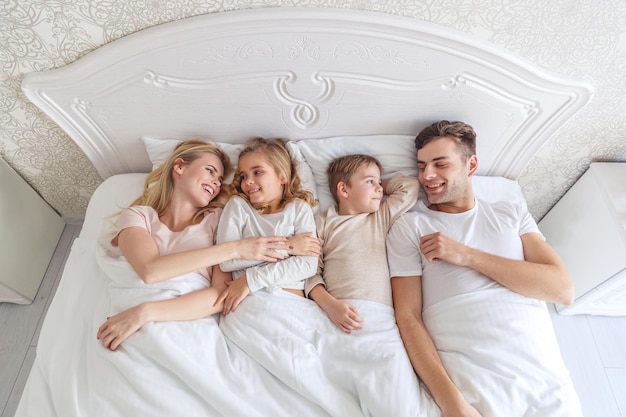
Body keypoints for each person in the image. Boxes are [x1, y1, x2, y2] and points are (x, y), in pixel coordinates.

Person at [387, 120, 579, 417]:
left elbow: (563, 291)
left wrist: (467, 256)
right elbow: (408, 316)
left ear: (471, 164)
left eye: (440, 164)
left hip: (547, 386)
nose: (427, 176)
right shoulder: (411, 227)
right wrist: (453, 405)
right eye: (422, 165)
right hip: (478, 390)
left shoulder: (510, 212)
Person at [96, 139, 318, 351]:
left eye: (220, 179)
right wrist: (238, 248)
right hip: (131, 312)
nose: (216, 182)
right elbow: (150, 271)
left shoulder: (215, 218)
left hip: (183, 314)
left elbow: (220, 295)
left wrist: (145, 313)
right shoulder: (138, 215)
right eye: (210, 171)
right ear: (180, 166)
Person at [304, 154, 419, 333]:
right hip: (335, 312)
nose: (379, 188)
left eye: (380, 183)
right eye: (370, 181)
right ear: (343, 189)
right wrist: (331, 306)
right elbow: (310, 272)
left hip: (380, 315)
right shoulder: (323, 222)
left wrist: (380, 185)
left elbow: (410, 187)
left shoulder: (379, 217)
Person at [215, 137, 320, 314]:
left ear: (282, 176)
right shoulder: (238, 206)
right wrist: (289, 246)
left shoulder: (298, 208)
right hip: (249, 301)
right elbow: (226, 261)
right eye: (243, 176)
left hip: (291, 301)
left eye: (257, 172)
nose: (248, 181)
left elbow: (308, 265)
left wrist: (251, 279)